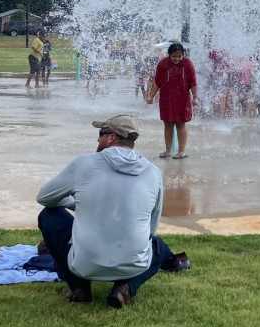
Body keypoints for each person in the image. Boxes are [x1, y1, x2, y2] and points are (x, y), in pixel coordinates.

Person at [36, 114, 183, 308]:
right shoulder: (153, 172)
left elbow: (45, 198)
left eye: (101, 134)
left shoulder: (83, 164)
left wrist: (76, 203)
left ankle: (79, 288)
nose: (97, 139)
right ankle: (126, 287)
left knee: (49, 215)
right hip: (133, 264)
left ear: (111, 138)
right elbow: (151, 228)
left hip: (83, 264)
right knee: (158, 247)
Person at [146, 41, 198, 159]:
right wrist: (151, 96)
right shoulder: (163, 64)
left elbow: (193, 82)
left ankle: (181, 151)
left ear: (183, 54)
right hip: (166, 98)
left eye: (179, 56)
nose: (176, 59)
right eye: (173, 56)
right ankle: (168, 150)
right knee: (167, 124)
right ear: (168, 54)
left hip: (183, 98)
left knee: (181, 124)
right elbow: (157, 81)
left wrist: (195, 97)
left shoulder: (188, 64)